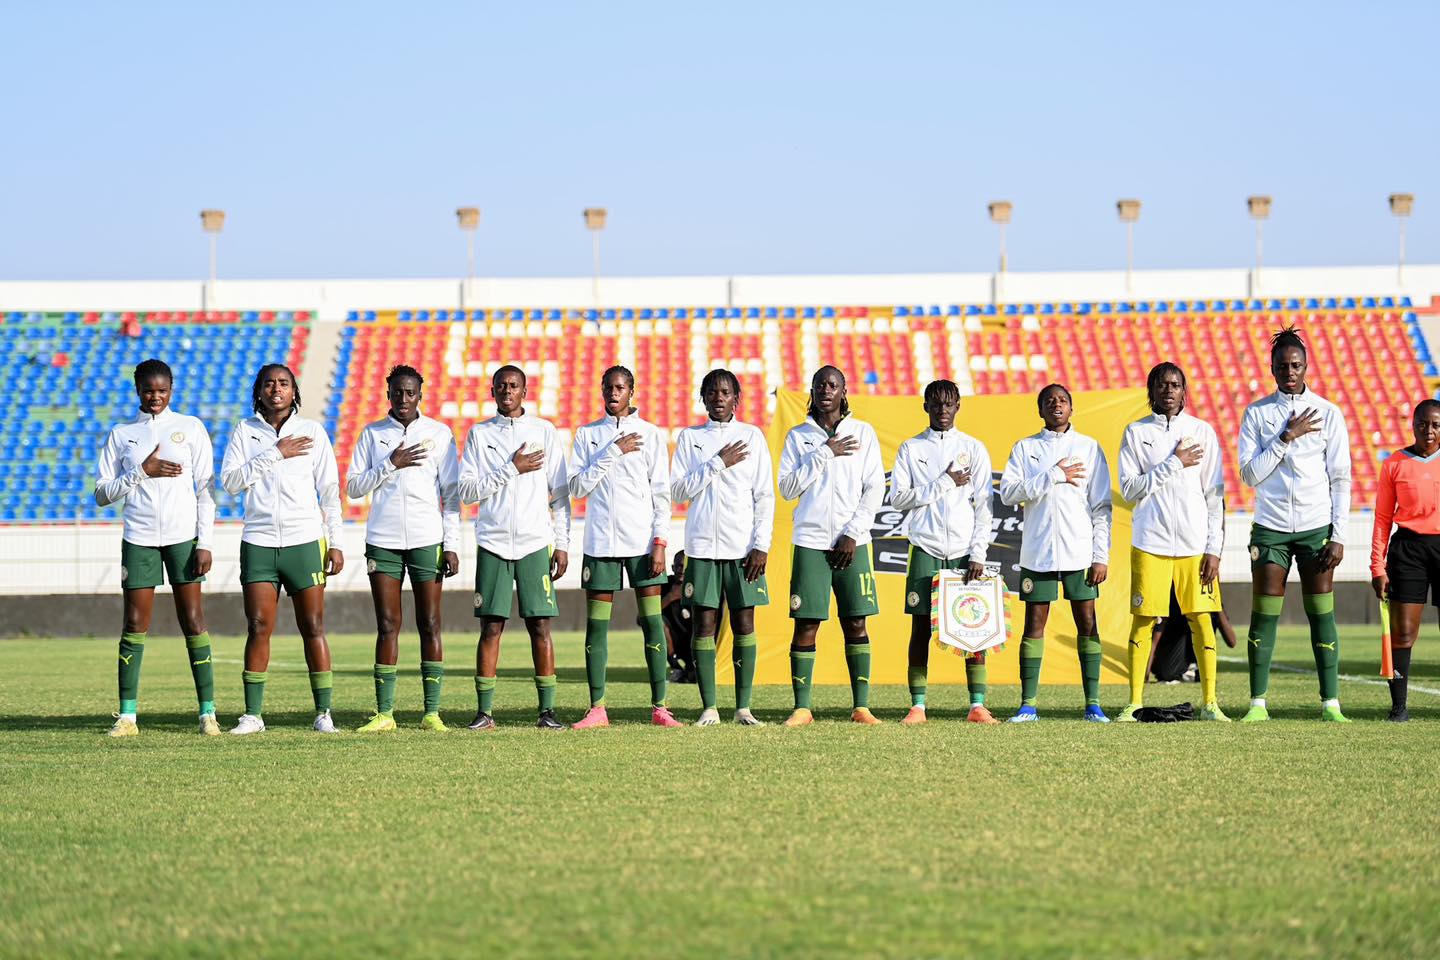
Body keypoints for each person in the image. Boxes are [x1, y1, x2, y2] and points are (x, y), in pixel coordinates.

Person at [95, 359, 218, 736]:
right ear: (138, 390)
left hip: (183, 538)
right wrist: (140, 472)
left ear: (172, 390)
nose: (155, 397)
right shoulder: (122, 434)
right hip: (139, 538)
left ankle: (208, 713)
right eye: (149, 390)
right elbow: (101, 494)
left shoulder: (190, 428)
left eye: (162, 390)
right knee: (134, 623)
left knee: (193, 621)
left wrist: (206, 543)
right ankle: (128, 716)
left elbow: (206, 491)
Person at [221, 364, 345, 735]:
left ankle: (324, 713)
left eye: (284, 383)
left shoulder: (312, 431)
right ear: (259, 391)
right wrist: (274, 453)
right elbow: (230, 482)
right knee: (258, 626)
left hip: (304, 540)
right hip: (258, 541)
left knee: (313, 625)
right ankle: (253, 715)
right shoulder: (245, 431)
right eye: (269, 383)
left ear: (294, 391)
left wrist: (336, 541)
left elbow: (330, 491)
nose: (277, 389)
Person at [1238, 327, 1352, 722]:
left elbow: (1340, 478)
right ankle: (1257, 704)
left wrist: (1339, 536)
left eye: (1296, 364)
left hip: (1315, 526)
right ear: (1271, 369)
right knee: (1264, 614)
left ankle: (1331, 703)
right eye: (1283, 365)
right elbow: (1250, 475)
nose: (1290, 370)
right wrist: (1285, 437)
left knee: (1322, 613)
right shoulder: (1256, 413)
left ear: (1306, 367)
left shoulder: (1328, 412)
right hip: (1270, 528)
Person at [345, 365, 460, 733]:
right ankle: (385, 713)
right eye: (397, 392)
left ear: (419, 395)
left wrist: (452, 544)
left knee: (430, 623)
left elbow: (452, 495)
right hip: (384, 540)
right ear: (388, 394)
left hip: (428, 539)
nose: (404, 399)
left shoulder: (439, 434)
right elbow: (353, 487)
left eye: (410, 393)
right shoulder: (372, 434)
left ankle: (431, 713)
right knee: (387, 624)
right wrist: (388, 464)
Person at [459, 365, 570, 730]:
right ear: (492, 392)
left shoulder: (544, 431)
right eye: (501, 386)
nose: (507, 391)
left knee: (540, 626)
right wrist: (511, 468)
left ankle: (547, 712)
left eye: (514, 386)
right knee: (491, 627)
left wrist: (563, 543)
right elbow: (468, 492)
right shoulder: (479, 435)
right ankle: (485, 712)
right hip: (492, 542)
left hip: (535, 542)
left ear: (525, 391)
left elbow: (560, 492)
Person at [569, 366, 681, 729]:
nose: (613, 393)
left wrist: (660, 542)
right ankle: (597, 708)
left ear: (632, 391)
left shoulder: (650, 434)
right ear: (601, 390)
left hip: (642, 543)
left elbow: (661, 495)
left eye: (620, 387)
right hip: (600, 542)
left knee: (652, 623)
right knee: (596, 627)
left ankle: (660, 707)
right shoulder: (587, 435)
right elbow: (576, 487)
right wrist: (612, 452)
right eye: (608, 387)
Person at [1116, 362, 1229, 722]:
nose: (1169, 390)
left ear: (1185, 391)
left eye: (1176, 384)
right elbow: (1131, 489)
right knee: (1143, 621)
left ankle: (1211, 703)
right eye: (1162, 384)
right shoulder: (1135, 433)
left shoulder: (1202, 431)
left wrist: (1214, 549)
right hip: (1150, 543)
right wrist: (1174, 463)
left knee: (1201, 620)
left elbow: (1214, 496)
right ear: (1151, 390)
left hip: (1195, 547)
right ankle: (1134, 702)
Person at [999, 383, 1113, 722]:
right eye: (1049, 401)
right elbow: (1008, 493)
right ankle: (1028, 705)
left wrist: (1100, 555)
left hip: (1080, 552)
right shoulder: (1025, 448)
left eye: (1062, 400)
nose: (1056, 405)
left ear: (1072, 408)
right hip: (1039, 552)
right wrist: (1053, 475)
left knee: (1088, 623)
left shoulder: (1089, 448)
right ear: (1040, 410)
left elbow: (1101, 507)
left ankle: (1093, 704)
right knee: (1034, 624)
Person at [777, 366, 884, 726]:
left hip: (854, 543)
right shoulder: (797, 437)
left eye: (833, 384)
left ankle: (861, 706)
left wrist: (853, 532)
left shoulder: (864, 433)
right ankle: (802, 708)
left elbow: (875, 488)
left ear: (844, 390)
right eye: (820, 384)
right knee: (806, 623)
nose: (826, 389)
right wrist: (824, 452)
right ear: (812, 390)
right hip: (810, 542)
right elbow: (789, 489)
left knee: (856, 621)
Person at [670, 368, 775, 726]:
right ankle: (709, 708)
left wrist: (761, 544)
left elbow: (764, 496)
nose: (719, 397)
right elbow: (678, 492)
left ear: (736, 398)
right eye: (712, 392)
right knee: (704, 625)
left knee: (745, 623)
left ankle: (744, 708)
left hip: (743, 547)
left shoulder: (752, 436)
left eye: (726, 392)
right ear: (703, 397)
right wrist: (717, 463)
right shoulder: (690, 438)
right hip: (701, 548)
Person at [890, 379, 996, 724]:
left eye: (949, 404)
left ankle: (977, 705)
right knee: (920, 626)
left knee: (975, 626)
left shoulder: (974, 448)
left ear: (958, 406)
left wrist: (978, 552)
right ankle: (918, 705)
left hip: (965, 550)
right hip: (925, 547)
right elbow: (898, 499)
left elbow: (985, 505)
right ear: (925, 407)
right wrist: (945, 482)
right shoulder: (911, 449)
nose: (943, 410)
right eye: (936, 404)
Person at [1369, 398, 1440, 723]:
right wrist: (1377, 566)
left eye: (1436, 425)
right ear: (1412, 425)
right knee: (1404, 632)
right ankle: (1398, 707)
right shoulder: (1395, 463)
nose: (1429, 430)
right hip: (1408, 550)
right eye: (1423, 424)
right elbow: (1383, 518)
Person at [661, 552, 696, 683]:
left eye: (685, 567)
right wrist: (670, 597)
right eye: (679, 566)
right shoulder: (665, 585)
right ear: (672, 567)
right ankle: (675, 668)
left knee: (694, 679)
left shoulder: (698, 586)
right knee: (657, 623)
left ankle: (694, 667)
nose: (682, 570)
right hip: (674, 642)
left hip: (694, 641)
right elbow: (640, 620)